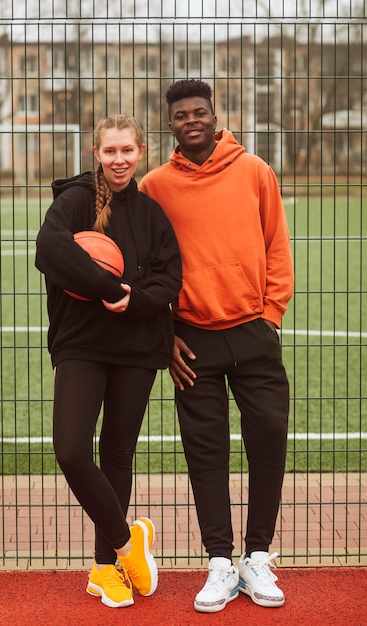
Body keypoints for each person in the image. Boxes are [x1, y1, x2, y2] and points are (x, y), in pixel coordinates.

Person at [139, 80, 294, 614]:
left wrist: (271, 315)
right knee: (206, 452)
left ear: (214, 115)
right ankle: (221, 563)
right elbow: (147, 266)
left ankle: (257, 556)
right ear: (171, 124)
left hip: (254, 329)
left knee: (269, 438)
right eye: (181, 115)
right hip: (192, 339)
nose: (192, 121)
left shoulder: (254, 171)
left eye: (200, 112)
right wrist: (165, 335)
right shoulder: (155, 185)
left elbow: (277, 243)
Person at [35, 115, 182, 609]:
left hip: (138, 346)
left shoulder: (151, 214)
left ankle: (105, 568)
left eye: (128, 150)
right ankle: (127, 543)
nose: (119, 159)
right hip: (81, 342)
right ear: (96, 153)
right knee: (73, 451)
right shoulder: (76, 198)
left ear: (142, 152)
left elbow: (169, 280)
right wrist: (107, 288)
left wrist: (134, 300)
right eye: (109, 151)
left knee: (118, 454)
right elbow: (49, 248)